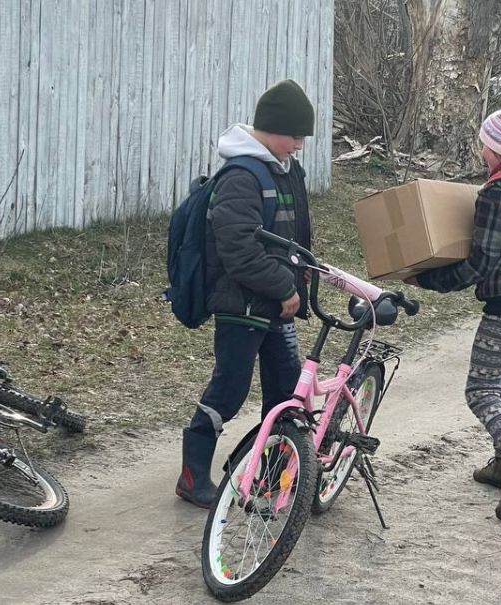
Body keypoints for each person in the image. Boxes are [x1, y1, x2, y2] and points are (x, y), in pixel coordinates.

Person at [406, 104, 501, 520]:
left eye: (488, 144)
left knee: (480, 389)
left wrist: (426, 280)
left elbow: (480, 264)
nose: (483, 151)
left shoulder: (500, 190)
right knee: (498, 379)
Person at [175, 79, 314, 508]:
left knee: (286, 393)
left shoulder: (284, 170)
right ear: (273, 128)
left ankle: (270, 479)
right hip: (242, 306)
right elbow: (238, 250)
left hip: (275, 305)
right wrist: (283, 286)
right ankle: (192, 475)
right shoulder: (242, 176)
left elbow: (292, 236)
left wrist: (303, 278)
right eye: (294, 136)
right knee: (229, 390)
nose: (298, 145)